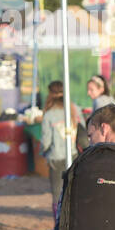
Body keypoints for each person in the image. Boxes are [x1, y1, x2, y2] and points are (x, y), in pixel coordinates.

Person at [39, 80, 70, 218]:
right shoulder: (72, 110)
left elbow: (46, 141)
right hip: (73, 156)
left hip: (56, 158)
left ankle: (58, 226)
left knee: (58, 195)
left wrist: (42, 152)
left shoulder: (49, 115)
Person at [75, 74, 114, 151]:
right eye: (88, 90)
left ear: (101, 89)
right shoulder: (110, 99)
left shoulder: (99, 101)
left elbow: (100, 123)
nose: (88, 93)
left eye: (91, 90)